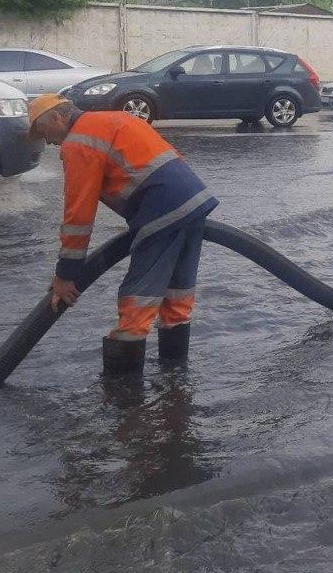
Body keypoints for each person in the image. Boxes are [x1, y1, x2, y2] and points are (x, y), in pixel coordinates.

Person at [27, 94, 218, 374]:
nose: (48, 142)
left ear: (57, 117)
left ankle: (124, 398)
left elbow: (78, 215)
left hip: (161, 211)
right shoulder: (113, 118)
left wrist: (66, 275)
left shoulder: (78, 142)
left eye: (44, 133)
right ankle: (175, 377)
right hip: (193, 200)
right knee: (177, 296)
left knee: (136, 300)